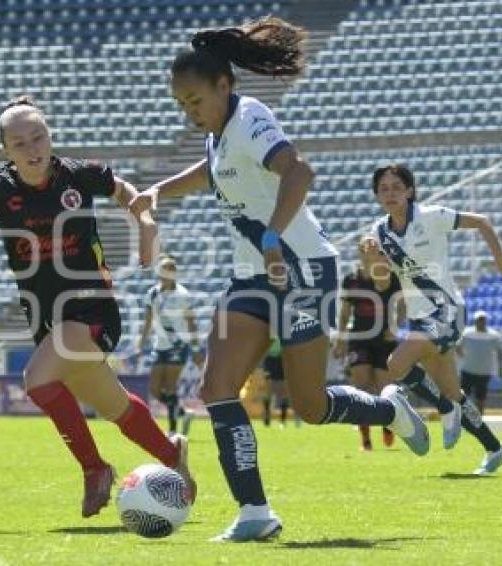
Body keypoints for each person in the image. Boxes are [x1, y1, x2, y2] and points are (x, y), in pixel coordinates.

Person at [129, 17, 429, 542]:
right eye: (182, 106)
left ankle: (388, 408)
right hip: (251, 277)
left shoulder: (248, 118)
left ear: (224, 85)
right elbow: (212, 174)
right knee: (216, 386)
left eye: (195, 101)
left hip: (304, 272)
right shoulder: (218, 135)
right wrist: (158, 192)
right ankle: (254, 512)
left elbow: (299, 172)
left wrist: (271, 236)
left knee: (311, 406)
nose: (190, 112)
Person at [0, 95, 195, 518]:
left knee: (37, 380)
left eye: (38, 137)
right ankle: (173, 454)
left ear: (50, 136)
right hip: (48, 323)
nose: (32, 148)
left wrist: (146, 225)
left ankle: (95, 470)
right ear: (6, 151)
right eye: (19, 143)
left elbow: (125, 191)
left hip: (93, 310)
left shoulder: (80, 174)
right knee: (116, 407)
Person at [369, 164, 502, 474]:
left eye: (397, 187)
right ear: (377, 196)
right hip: (421, 320)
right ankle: (495, 448)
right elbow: (382, 284)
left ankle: (445, 410)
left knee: (396, 365)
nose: (390, 193)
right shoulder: (379, 233)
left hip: (447, 311)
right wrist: (371, 260)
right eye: (384, 189)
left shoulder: (431, 216)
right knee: (453, 392)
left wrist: (500, 261)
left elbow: (483, 222)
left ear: (409, 191)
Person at [335, 235, 403, 451]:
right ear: (360, 252)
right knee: (362, 387)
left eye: (374, 247)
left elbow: (402, 305)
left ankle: (388, 426)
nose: (370, 250)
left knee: (385, 388)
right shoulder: (351, 280)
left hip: (383, 339)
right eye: (366, 247)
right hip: (359, 339)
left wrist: (395, 326)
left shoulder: (389, 277)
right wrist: (340, 337)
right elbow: (345, 313)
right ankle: (365, 439)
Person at [136, 255, 203, 435]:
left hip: (179, 344)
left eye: (170, 271)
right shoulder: (152, 293)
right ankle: (183, 413)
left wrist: (196, 348)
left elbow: (191, 322)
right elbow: (148, 320)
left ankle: (173, 430)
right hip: (159, 345)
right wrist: (140, 343)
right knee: (155, 389)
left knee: (171, 386)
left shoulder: (183, 294)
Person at [457, 310, 502, 415]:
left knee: (481, 398)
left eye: (483, 320)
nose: (481, 322)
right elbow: (458, 346)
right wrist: (463, 357)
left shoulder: (493, 335)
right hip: (468, 370)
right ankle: (463, 417)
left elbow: (500, 352)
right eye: (479, 320)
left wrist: (501, 369)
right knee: (464, 395)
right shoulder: (467, 333)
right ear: (475, 321)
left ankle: (479, 419)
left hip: (484, 372)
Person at [260, 337, 290, 427]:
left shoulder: (285, 325)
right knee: (268, 388)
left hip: (282, 358)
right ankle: (267, 416)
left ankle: (282, 420)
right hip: (270, 359)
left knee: (283, 390)